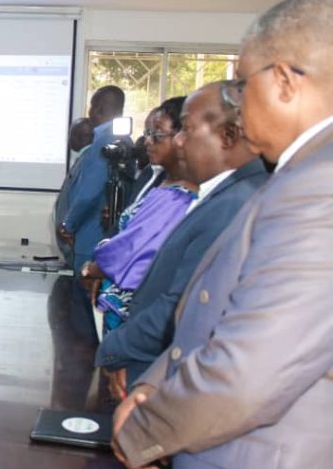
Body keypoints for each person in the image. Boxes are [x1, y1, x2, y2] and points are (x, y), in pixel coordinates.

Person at [113, 0, 333, 469]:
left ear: (283, 81)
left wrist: (142, 429)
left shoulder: (321, 186)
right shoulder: (297, 173)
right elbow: (213, 310)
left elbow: (252, 371)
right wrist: (154, 383)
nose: (236, 103)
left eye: (240, 84)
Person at [95, 84, 267, 397]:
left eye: (186, 129)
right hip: (153, 358)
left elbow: (181, 304)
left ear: (228, 136)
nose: (178, 141)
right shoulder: (222, 193)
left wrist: (115, 348)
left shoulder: (235, 203)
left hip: (162, 366)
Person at [80, 97, 197, 331]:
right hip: (123, 305)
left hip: (139, 315)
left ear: (182, 138)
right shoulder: (163, 185)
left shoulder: (178, 197)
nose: (148, 141)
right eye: (147, 133)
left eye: (157, 134)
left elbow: (131, 249)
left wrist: (91, 270)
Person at [58, 86, 127, 270]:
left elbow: (89, 192)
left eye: (91, 106)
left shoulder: (104, 143)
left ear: (99, 109)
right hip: (107, 240)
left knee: (83, 287)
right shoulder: (124, 140)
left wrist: (68, 225)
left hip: (90, 241)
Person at [53, 118, 94, 266]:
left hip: (78, 246)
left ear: (78, 137)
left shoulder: (88, 161)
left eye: (70, 134)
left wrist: (67, 226)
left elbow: (84, 198)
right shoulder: (84, 159)